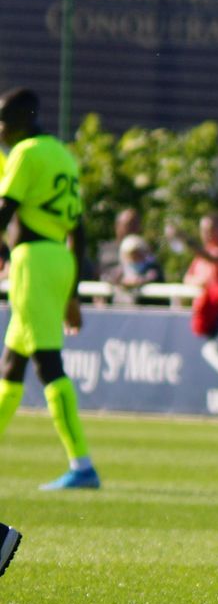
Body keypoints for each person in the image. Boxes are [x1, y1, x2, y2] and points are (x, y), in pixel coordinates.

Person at [0, 88, 95, 490]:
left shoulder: (24, 153)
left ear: (20, 120)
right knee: (11, 365)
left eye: (3, 120)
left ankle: (82, 465)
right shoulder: (61, 154)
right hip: (59, 259)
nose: (0, 129)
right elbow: (80, 228)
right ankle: (80, 465)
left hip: (33, 261)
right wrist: (72, 292)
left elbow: (5, 209)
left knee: (47, 363)